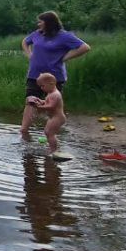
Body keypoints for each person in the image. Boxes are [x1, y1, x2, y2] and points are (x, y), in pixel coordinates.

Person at [20, 11, 89, 141]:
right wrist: (29, 54)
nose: (38, 24)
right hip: (35, 74)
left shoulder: (65, 36)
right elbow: (25, 41)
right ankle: (24, 131)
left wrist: (65, 58)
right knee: (30, 100)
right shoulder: (37, 34)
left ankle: (51, 134)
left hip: (54, 76)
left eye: (40, 21)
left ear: (49, 22)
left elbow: (85, 47)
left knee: (53, 104)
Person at [24, 73, 66, 154]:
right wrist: (39, 101)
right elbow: (47, 102)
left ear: (51, 83)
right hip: (53, 117)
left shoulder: (55, 95)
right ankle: (52, 146)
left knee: (50, 133)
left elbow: (51, 106)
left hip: (57, 118)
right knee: (47, 132)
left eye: (43, 86)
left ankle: (54, 150)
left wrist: (38, 107)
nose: (41, 88)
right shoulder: (50, 93)